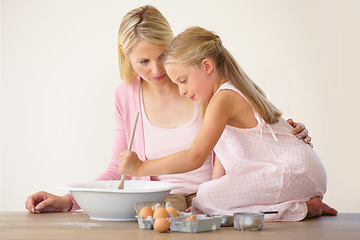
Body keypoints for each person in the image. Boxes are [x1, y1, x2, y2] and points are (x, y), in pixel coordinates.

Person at [25, 6, 312, 214]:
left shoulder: (203, 84)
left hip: (217, 200)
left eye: (162, 56)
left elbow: (249, 127)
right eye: (144, 62)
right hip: (162, 206)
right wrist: (69, 200)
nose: (157, 69)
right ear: (126, 56)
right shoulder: (125, 95)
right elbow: (118, 170)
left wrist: (289, 134)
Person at [118, 26, 338, 221]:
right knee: (208, 199)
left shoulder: (223, 98)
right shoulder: (227, 93)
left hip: (293, 172)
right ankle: (299, 204)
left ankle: (300, 209)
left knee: (205, 200)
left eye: (183, 81)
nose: (182, 91)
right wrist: (211, 197)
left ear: (206, 66)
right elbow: (223, 158)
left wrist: (141, 167)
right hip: (301, 170)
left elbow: (195, 156)